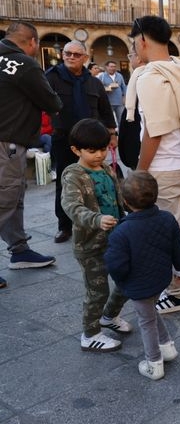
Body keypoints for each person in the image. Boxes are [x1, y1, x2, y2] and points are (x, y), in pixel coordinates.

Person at [128, 16, 180, 314]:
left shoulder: (152, 75)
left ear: (143, 40)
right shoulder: (179, 68)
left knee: (166, 230)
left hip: (163, 164)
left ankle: (178, 292)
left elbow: (155, 129)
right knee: (177, 223)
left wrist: (139, 170)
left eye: (134, 41)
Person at [105, 171, 180, 380]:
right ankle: (167, 347)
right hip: (160, 278)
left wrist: (122, 280)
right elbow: (178, 248)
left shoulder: (121, 232)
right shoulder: (167, 218)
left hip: (138, 284)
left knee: (146, 321)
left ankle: (154, 363)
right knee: (151, 312)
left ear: (125, 201)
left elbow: (116, 265)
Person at [0, 21, 63, 287]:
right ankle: (19, 249)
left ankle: (19, 250)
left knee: (13, 197)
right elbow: (52, 102)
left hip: (8, 141)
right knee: (5, 199)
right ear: (32, 42)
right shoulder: (24, 64)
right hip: (7, 142)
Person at [60, 118, 130, 352]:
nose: (99, 155)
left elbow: (119, 198)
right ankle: (90, 334)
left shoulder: (108, 169)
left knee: (126, 281)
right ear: (75, 150)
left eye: (103, 149)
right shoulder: (74, 175)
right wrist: (97, 219)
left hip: (116, 240)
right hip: (91, 246)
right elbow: (72, 206)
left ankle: (109, 316)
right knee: (98, 291)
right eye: (91, 151)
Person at [46, 40, 116, 244]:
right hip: (64, 140)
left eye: (77, 54)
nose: (71, 57)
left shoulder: (93, 82)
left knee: (96, 181)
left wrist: (112, 134)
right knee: (65, 181)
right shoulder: (51, 78)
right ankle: (64, 225)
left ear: (85, 58)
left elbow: (105, 108)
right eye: (67, 53)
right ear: (62, 55)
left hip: (92, 142)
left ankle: (98, 220)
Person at [98, 60, 127, 126]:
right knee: (108, 121)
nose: (113, 68)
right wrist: (107, 88)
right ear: (106, 67)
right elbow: (99, 88)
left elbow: (124, 87)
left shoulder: (119, 75)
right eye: (111, 66)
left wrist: (124, 97)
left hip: (119, 102)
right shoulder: (102, 76)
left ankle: (121, 135)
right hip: (108, 103)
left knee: (121, 121)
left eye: (114, 67)